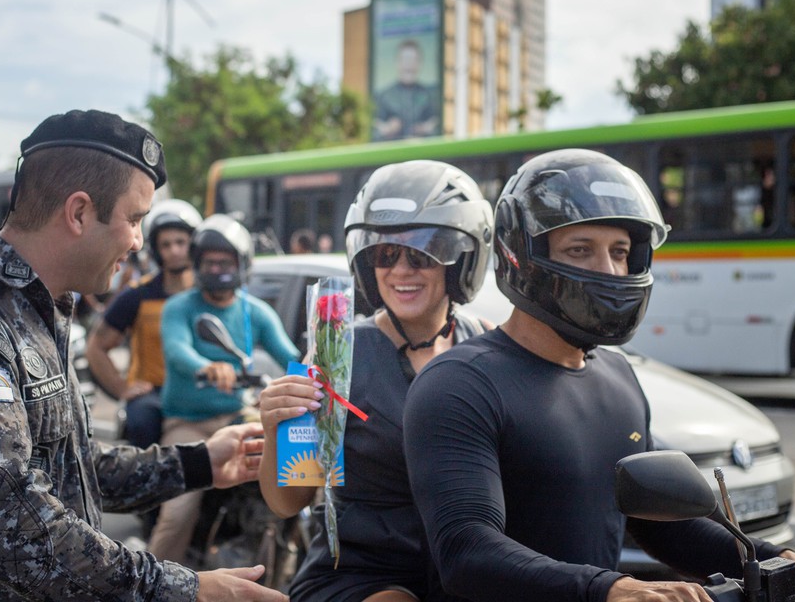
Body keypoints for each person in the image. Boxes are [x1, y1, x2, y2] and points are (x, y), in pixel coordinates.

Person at [0, 109, 287, 602]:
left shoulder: (34, 311)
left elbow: (74, 470)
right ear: (78, 213)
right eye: (135, 219)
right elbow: (14, 529)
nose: (139, 241)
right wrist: (186, 589)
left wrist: (200, 463)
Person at [403, 149, 795, 601]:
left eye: (620, 252)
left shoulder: (617, 377)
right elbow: (467, 552)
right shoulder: (459, 385)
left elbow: (664, 527)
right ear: (523, 257)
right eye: (580, 250)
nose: (608, 271)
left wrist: (781, 561)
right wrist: (613, 590)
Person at [258, 160, 494, 602]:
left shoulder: (482, 343)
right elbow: (290, 500)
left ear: (460, 260)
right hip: (363, 571)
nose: (401, 270)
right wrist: (276, 429)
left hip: (467, 568)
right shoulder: (333, 354)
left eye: (423, 253)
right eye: (386, 254)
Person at [148, 213, 301, 565]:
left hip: (237, 418)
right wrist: (208, 367)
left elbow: (290, 354)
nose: (216, 268)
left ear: (242, 263)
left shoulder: (256, 312)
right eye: (209, 261)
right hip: (188, 423)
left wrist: (319, 367)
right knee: (178, 512)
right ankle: (152, 582)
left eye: (225, 261)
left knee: (290, 475)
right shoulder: (179, 307)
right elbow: (177, 350)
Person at [87, 198, 203, 450]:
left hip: (200, 392)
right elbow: (96, 346)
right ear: (155, 249)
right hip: (153, 394)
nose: (174, 250)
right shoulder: (137, 295)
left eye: (181, 242)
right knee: (142, 423)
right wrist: (121, 388)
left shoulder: (210, 295)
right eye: (166, 244)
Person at [372, 39, 441, 141]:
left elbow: (439, 125)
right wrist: (387, 129)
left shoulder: (430, 95)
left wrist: (426, 129)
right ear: (398, 62)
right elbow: (374, 130)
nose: (409, 64)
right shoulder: (384, 96)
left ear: (419, 63)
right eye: (405, 59)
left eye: (413, 60)